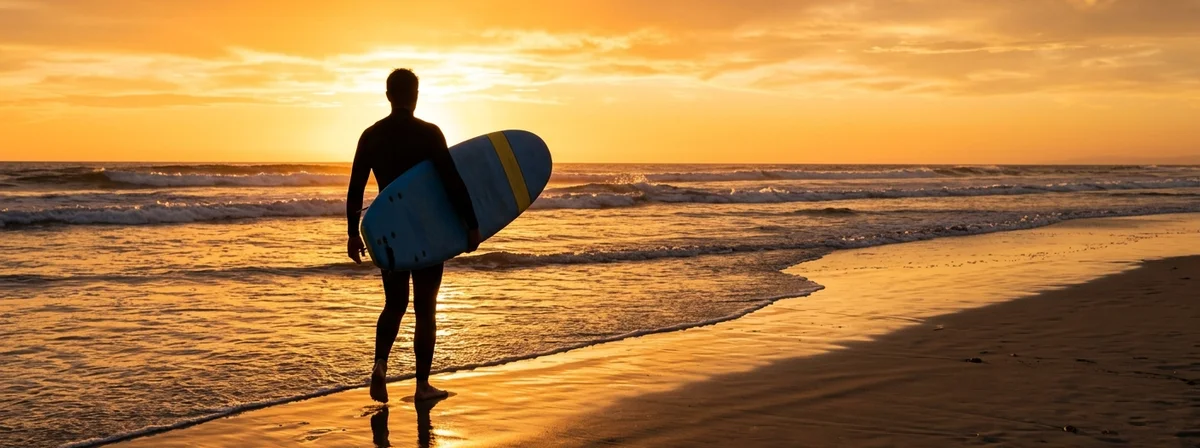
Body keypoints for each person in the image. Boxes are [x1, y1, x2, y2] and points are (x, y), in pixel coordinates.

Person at [346, 68, 482, 403]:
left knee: (394, 304)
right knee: (425, 308)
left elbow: (355, 189)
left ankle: (380, 365)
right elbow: (452, 182)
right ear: (416, 96)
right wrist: (471, 224)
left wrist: (352, 233)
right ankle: (422, 386)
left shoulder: (370, 136)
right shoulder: (429, 133)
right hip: (427, 233)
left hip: (391, 233)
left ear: (389, 95)